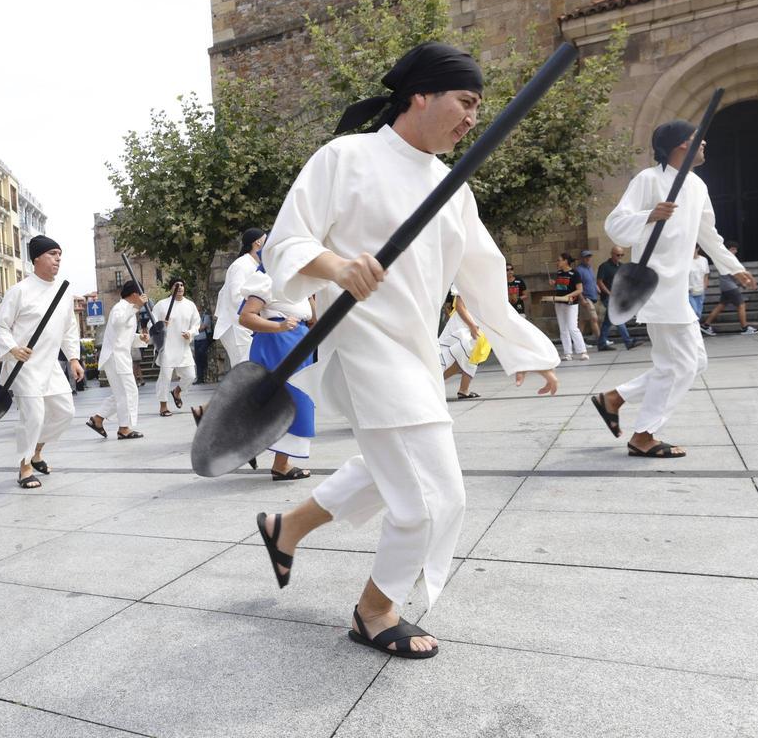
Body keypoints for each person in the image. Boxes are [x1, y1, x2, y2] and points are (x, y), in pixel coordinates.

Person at [257, 42, 560, 659]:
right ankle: (375, 610)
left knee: (386, 468)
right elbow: (286, 243)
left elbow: (483, 271)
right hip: (364, 348)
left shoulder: (452, 185)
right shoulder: (346, 157)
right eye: (465, 101)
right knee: (433, 495)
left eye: (479, 107)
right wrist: (338, 266)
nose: (473, 118)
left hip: (415, 353)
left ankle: (285, 527)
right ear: (420, 95)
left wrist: (527, 349)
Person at [594, 119, 754, 458]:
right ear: (681, 144)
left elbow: (708, 234)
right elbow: (615, 226)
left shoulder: (697, 186)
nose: (705, 143)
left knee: (691, 362)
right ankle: (643, 435)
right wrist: (649, 215)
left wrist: (733, 268)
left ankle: (615, 397)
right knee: (682, 365)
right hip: (655, 287)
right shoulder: (649, 179)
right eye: (698, 139)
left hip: (676, 290)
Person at [0, 236, 84, 489]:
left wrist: (73, 358)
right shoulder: (20, 291)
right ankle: (24, 468)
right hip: (23, 365)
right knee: (33, 415)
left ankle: (36, 450)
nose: (58, 259)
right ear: (37, 258)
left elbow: (69, 329)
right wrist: (12, 348)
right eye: (52, 253)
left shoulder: (64, 292)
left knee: (66, 413)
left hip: (51, 365)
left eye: (59, 254)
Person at [237, 256, 316, 480]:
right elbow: (246, 317)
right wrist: (279, 326)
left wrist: (310, 295)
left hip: (298, 343)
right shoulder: (266, 279)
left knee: (295, 401)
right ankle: (256, 447)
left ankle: (279, 462)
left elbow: (313, 319)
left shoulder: (300, 282)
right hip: (277, 344)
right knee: (286, 401)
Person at [87, 280, 149, 440]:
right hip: (115, 357)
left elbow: (123, 336)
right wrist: (137, 308)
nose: (144, 297)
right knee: (128, 392)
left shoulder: (128, 310)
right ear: (135, 294)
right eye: (141, 294)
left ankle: (98, 419)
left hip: (121, 356)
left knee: (121, 393)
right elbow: (117, 322)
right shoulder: (120, 308)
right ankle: (124, 428)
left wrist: (140, 338)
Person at [213, 228, 265, 371]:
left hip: (246, 326)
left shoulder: (255, 265)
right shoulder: (241, 265)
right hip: (237, 327)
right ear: (258, 242)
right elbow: (236, 296)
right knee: (244, 372)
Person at [151, 279, 201, 417]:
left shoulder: (190, 305)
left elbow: (196, 324)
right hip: (167, 347)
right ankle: (163, 406)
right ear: (171, 288)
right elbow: (152, 323)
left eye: (182, 285)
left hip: (183, 347)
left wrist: (190, 333)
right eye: (176, 285)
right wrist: (161, 325)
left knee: (191, 376)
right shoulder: (161, 305)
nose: (180, 287)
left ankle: (177, 391)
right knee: (165, 377)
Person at [701, 242, 758, 335]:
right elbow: (738, 273)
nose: (735, 251)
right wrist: (749, 282)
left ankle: (705, 325)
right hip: (730, 286)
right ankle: (744, 328)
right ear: (727, 249)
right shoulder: (728, 258)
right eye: (733, 249)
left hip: (726, 285)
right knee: (741, 305)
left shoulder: (724, 258)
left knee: (721, 306)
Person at [596, 245, 641, 351]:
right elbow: (599, 281)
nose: (619, 257)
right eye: (617, 255)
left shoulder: (622, 266)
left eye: (622, 255)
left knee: (608, 322)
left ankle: (602, 344)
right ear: (612, 254)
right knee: (618, 317)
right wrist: (609, 293)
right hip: (608, 298)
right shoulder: (604, 266)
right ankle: (628, 341)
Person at [439, 290, 481, 400]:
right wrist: (472, 325)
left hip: (474, 322)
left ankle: (464, 389)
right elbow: (459, 305)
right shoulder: (465, 276)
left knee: (469, 358)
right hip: (464, 324)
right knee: (454, 357)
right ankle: (432, 382)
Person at [550, 252, 589, 361]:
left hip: (571, 303)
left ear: (565, 261)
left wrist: (568, 296)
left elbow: (579, 290)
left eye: (559, 260)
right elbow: (561, 286)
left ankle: (583, 351)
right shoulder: (559, 272)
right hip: (559, 302)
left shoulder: (575, 273)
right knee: (563, 329)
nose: (557, 262)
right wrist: (554, 283)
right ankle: (568, 353)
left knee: (572, 327)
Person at [576, 250, 601, 341]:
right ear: (581, 258)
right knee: (594, 318)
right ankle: (601, 340)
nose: (588, 258)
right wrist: (582, 299)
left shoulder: (590, 268)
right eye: (586, 257)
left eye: (589, 257)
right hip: (586, 298)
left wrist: (597, 288)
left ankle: (578, 342)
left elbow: (592, 281)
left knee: (583, 321)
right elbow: (577, 286)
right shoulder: (578, 270)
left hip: (593, 297)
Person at [689, 245, 709, 320]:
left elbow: (706, 274)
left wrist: (705, 285)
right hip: (689, 291)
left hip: (700, 291)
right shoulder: (686, 260)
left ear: (697, 248)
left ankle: (696, 329)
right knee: (694, 311)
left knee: (698, 313)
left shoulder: (704, 260)